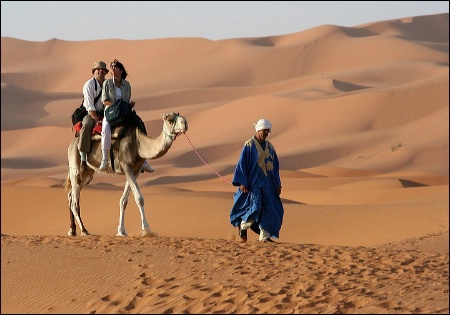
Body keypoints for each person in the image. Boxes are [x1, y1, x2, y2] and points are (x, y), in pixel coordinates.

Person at [229, 119, 284, 243]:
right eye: (264, 131)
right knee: (256, 206)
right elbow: (242, 164)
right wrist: (242, 182)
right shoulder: (249, 145)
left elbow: (275, 167)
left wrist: (278, 184)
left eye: (267, 131)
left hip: (268, 183)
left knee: (269, 208)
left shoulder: (270, 146)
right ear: (259, 130)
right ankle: (243, 226)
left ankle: (264, 236)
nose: (266, 133)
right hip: (254, 183)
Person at [99, 59, 153, 172]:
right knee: (105, 130)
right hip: (110, 112)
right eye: (112, 67)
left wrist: (129, 104)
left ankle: (144, 160)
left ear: (121, 70)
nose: (113, 69)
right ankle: (104, 159)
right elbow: (104, 101)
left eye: (115, 67)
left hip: (124, 112)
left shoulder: (127, 85)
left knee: (139, 124)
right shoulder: (107, 83)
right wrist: (117, 105)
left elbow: (127, 100)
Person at [78, 61, 108, 173]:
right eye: (98, 69)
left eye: (102, 70)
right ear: (94, 72)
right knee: (86, 126)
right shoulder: (89, 85)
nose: (100, 71)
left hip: (105, 113)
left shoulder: (108, 84)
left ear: (105, 72)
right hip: (91, 114)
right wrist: (96, 120)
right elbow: (90, 106)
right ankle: (83, 160)